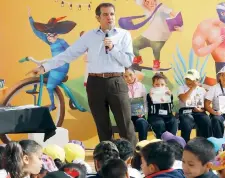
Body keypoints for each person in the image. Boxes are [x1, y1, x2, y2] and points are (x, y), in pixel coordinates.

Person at [27, 2, 137, 145]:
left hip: (116, 81)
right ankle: (107, 161)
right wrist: (45, 67)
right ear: (98, 17)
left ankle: (132, 160)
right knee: (102, 126)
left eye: (112, 14)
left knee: (125, 125)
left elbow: (128, 61)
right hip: (95, 83)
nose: (109, 17)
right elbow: (69, 54)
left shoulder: (124, 35)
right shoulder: (89, 36)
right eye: (105, 14)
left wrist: (113, 48)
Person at [178, 69, 212, 142]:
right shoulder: (181, 87)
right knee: (186, 122)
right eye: (187, 79)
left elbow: (206, 105)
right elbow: (184, 99)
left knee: (206, 121)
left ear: (197, 80)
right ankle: (185, 145)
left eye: (191, 79)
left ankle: (206, 144)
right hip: (186, 111)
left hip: (199, 111)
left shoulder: (202, 90)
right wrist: (192, 88)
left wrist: (202, 110)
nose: (188, 81)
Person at [146, 73, 178, 138]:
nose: (159, 86)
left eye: (162, 84)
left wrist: (169, 97)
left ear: (166, 85)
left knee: (173, 121)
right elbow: (149, 108)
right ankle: (161, 140)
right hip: (155, 116)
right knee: (159, 123)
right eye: (157, 84)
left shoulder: (168, 94)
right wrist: (151, 97)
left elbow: (170, 108)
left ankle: (171, 139)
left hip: (167, 115)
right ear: (153, 85)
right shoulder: (149, 95)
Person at [123, 68, 149, 141]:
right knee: (125, 125)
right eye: (126, 76)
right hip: (127, 116)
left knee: (142, 122)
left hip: (139, 115)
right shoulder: (122, 87)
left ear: (134, 74)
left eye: (130, 75)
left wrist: (143, 112)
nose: (129, 78)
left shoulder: (141, 86)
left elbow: (145, 101)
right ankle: (130, 146)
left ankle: (142, 144)